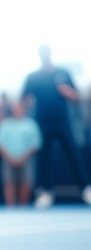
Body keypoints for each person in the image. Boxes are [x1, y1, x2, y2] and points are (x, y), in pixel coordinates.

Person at [21, 45, 91, 207]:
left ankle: (86, 188)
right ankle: (44, 192)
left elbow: (77, 96)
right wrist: (25, 105)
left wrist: (70, 93)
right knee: (43, 157)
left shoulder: (63, 73)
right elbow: (23, 100)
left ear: (50, 53)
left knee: (73, 153)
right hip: (41, 122)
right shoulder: (33, 77)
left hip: (62, 121)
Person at [0, 97, 42, 208]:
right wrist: (10, 158)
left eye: (19, 108)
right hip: (8, 160)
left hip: (26, 160)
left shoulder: (31, 124)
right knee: (9, 183)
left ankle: (22, 209)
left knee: (26, 184)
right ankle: (10, 209)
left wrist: (22, 158)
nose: (17, 110)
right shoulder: (5, 124)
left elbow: (36, 144)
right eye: (15, 108)